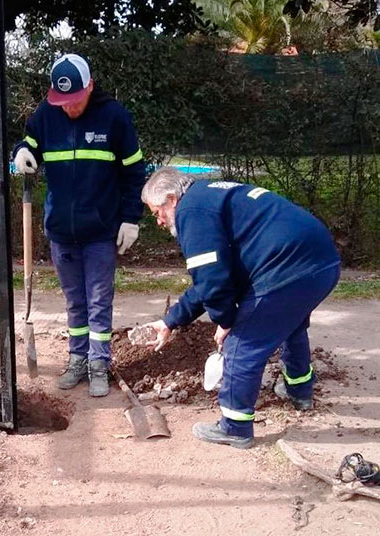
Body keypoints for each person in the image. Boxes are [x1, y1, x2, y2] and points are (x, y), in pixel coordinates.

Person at [141, 167, 340, 448]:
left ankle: (235, 427)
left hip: (286, 266)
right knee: (290, 324)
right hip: (321, 261)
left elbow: (211, 280)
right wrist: (170, 321)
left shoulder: (192, 213)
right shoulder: (210, 196)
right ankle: (299, 390)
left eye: (156, 212)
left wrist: (226, 321)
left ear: (172, 199)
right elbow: (211, 276)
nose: (158, 221)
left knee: (242, 343)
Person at [12, 53, 146, 397]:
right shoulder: (45, 115)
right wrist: (22, 151)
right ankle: (77, 358)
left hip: (101, 229)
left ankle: (99, 362)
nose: (69, 108)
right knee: (74, 301)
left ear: (90, 87)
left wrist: (131, 218)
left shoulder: (114, 117)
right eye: (63, 101)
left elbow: (133, 172)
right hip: (61, 230)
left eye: (76, 100)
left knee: (99, 298)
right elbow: (30, 141)